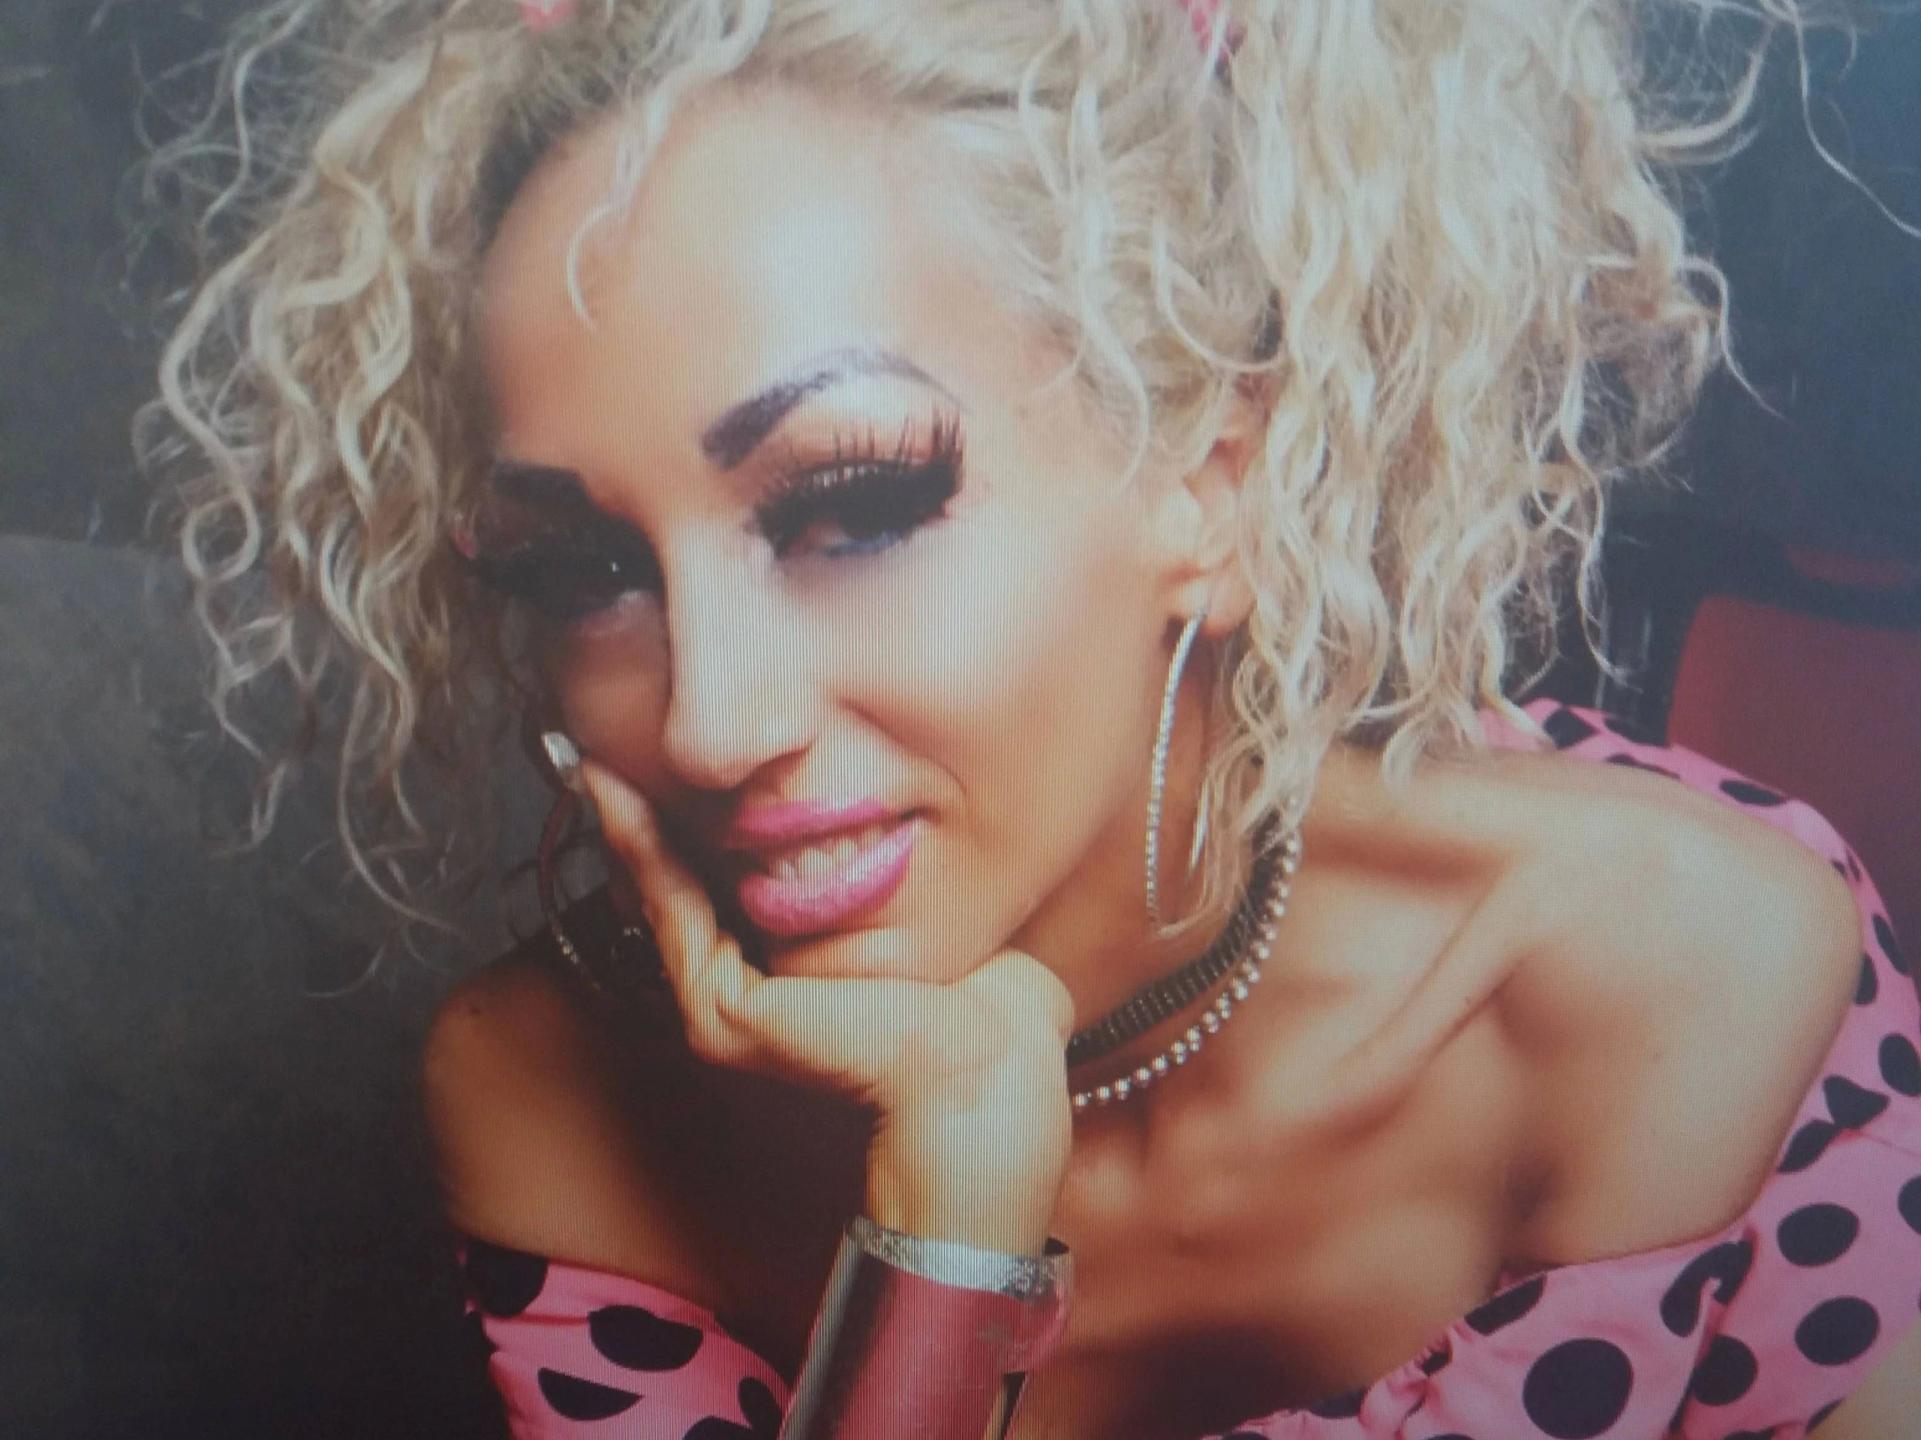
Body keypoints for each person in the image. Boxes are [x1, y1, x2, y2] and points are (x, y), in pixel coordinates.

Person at [143, 0, 1921, 1435]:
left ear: (1214, 484)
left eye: (850, 509)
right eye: (581, 571)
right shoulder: (554, 1100)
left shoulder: (1683, 964)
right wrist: (947, 1219)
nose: (709, 724)